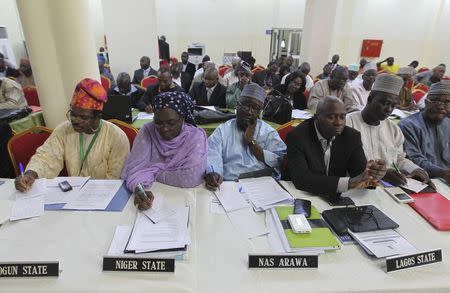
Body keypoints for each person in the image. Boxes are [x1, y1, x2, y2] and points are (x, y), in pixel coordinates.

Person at [15, 78, 129, 192]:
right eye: (73, 114)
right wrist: (31, 174)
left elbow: (115, 179)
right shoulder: (64, 130)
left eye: (83, 117)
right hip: (73, 193)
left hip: (104, 195)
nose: (75, 120)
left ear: (98, 117)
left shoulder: (116, 136)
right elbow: (46, 157)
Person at [287, 96, 387, 201]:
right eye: (331, 117)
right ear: (316, 117)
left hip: (336, 196)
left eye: (342, 117)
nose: (338, 123)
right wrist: (349, 183)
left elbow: (359, 173)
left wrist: (373, 174)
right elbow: (302, 179)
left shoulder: (352, 136)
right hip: (302, 195)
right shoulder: (298, 136)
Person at [121, 91, 207, 210]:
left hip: (188, 199)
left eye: (171, 123)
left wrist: (153, 172)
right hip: (155, 198)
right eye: (158, 123)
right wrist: (139, 190)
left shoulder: (195, 137)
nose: (165, 129)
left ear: (182, 118)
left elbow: (191, 177)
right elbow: (133, 170)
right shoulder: (148, 131)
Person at [346, 73, 432, 187]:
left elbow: (399, 159)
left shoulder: (394, 130)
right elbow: (343, 163)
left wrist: (415, 169)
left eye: (393, 105)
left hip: (389, 189)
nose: (388, 109)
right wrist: (381, 174)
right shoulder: (348, 124)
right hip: (355, 187)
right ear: (370, 99)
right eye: (385, 103)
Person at [205, 84, 286, 189]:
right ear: (237, 105)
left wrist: (251, 142)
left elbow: (279, 161)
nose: (249, 111)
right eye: (245, 105)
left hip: (261, 185)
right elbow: (212, 155)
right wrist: (214, 173)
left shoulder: (268, 132)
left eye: (255, 108)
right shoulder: (223, 130)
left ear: (260, 112)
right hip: (229, 185)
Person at [399, 81, 450, 183]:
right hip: (423, 180)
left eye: (447, 102)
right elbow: (414, 159)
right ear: (426, 102)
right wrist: (442, 173)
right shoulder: (408, 125)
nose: (440, 106)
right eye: (435, 101)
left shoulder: (448, 123)